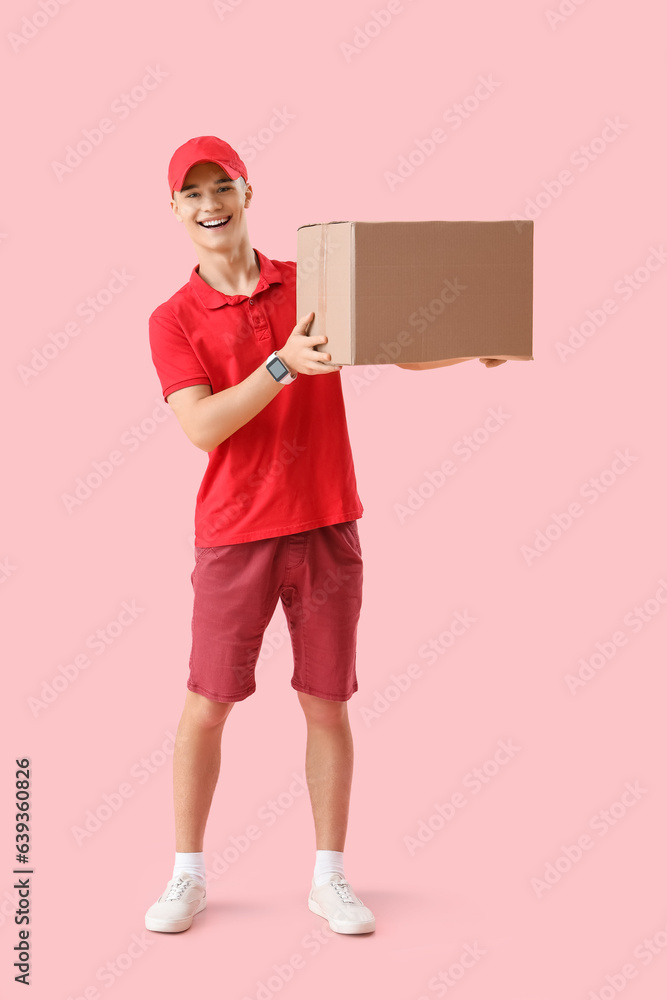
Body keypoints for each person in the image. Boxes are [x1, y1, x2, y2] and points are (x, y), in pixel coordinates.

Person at [144, 135, 505, 937]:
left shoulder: (308, 280)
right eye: (193, 192)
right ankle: (186, 876)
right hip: (235, 534)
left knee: (325, 703)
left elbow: (389, 346)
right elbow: (201, 426)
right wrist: (279, 366)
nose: (210, 203)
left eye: (223, 186)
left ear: (247, 192)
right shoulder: (172, 319)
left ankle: (329, 880)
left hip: (327, 524)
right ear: (175, 209)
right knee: (207, 702)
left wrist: (469, 345)